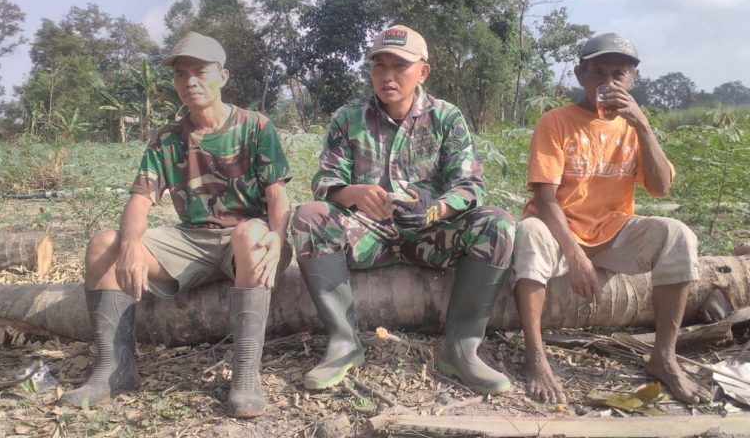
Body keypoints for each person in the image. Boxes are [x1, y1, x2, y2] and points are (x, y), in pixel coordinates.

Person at [62, 31, 292, 418]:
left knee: (248, 233)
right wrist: (132, 244)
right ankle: (113, 369)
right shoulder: (168, 137)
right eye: (181, 74)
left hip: (248, 241)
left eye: (200, 72)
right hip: (193, 240)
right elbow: (140, 197)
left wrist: (279, 239)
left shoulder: (255, 126)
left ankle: (245, 375)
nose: (190, 82)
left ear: (224, 76)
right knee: (104, 243)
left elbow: (277, 195)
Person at [291, 25, 515, 395]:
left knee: (498, 224)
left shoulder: (446, 117)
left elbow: (470, 185)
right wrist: (355, 193)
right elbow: (325, 183)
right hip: (368, 235)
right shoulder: (349, 118)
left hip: (431, 234)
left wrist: (436, 210)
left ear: (423, 71)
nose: (388, 75)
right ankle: (344, 344)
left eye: (400, 66)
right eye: (380, 65)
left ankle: (461, 349)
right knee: (309, 215)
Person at [513, 32, 711, 405]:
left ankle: (663, 357)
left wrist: (643, 125)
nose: (608, 83)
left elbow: (661, 187)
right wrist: (575, 257)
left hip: (615, 230)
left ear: (633, 79)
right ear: (579, 75)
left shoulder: (634, 127)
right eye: (597, 72)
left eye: (618, 74)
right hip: (561, 231)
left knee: (678, 235)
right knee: (528, 232)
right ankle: (535, 356)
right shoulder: (555, 122)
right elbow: (544, 196)